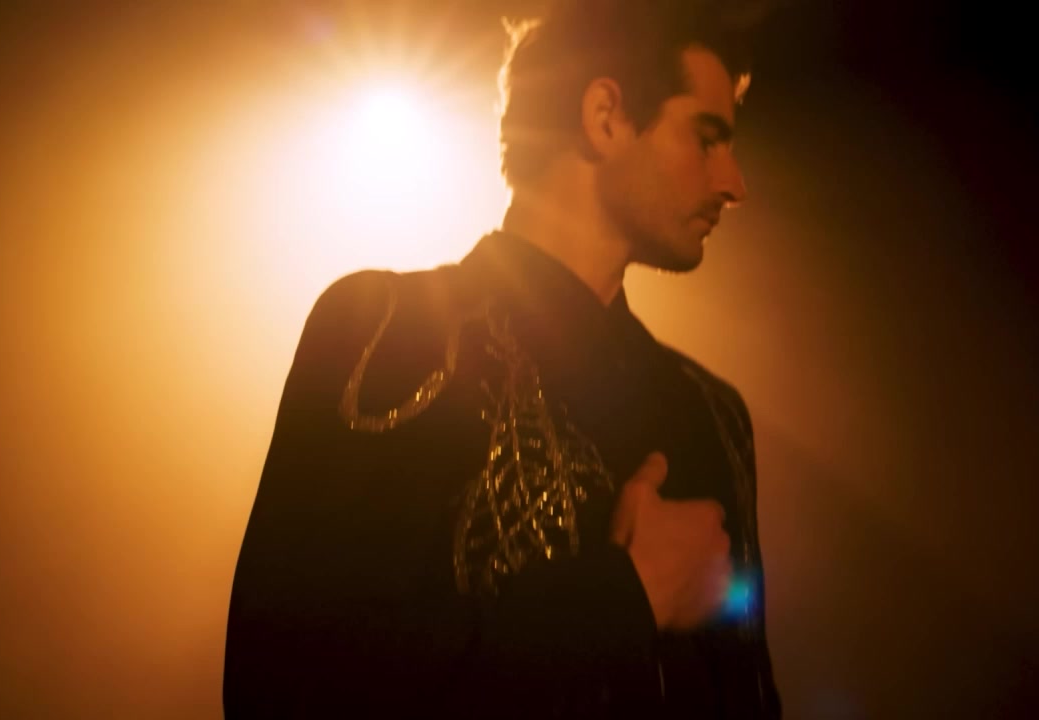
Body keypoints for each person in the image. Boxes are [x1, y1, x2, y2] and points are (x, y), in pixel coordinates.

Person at [224, 1, 780, 716]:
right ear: (606, 116)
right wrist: (624, 597)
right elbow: (279, 686)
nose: (734, 184)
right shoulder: (387, 329)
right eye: (706, 139)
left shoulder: (712, 413)